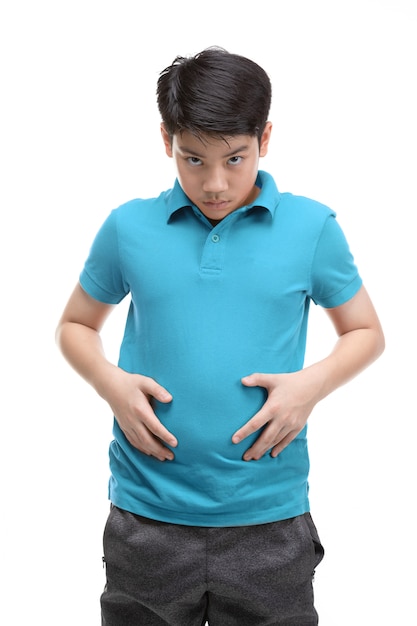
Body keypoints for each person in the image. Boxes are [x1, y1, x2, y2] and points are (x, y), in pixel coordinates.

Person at [55, 46, 385, 625]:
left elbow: (364, 332)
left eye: (235, 159)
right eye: (192, 159)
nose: (213, 183)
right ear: (166, 140)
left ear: (266, 139)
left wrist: (310, 386)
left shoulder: (312, 227)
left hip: (269, 519)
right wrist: (110, 383)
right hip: (147, 517)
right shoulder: (128, 227)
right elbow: (76, 324)